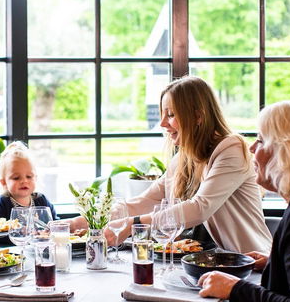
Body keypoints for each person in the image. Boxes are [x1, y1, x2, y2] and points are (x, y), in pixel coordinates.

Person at [70, 76, 272, 253]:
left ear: (198, 116)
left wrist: (135, 223)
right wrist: (90, 219)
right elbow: (146, 201)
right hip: (213, 265)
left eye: (171, 114)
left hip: (252, 265)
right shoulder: (184, 158)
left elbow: (200, 207)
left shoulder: (231, 149)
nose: (163, 124)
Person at [198, 100, 290, 302]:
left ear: (288, 150)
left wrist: (234, 288)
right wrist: (276, 264)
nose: (252, 148)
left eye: (261, 140)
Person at [0, 141, 57, 220]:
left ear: (36, 178)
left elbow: (55, 225)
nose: (24, 181)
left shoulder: (41, 200)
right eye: (16, 178)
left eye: (29, 176)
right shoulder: (1, 203)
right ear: (4, 182)